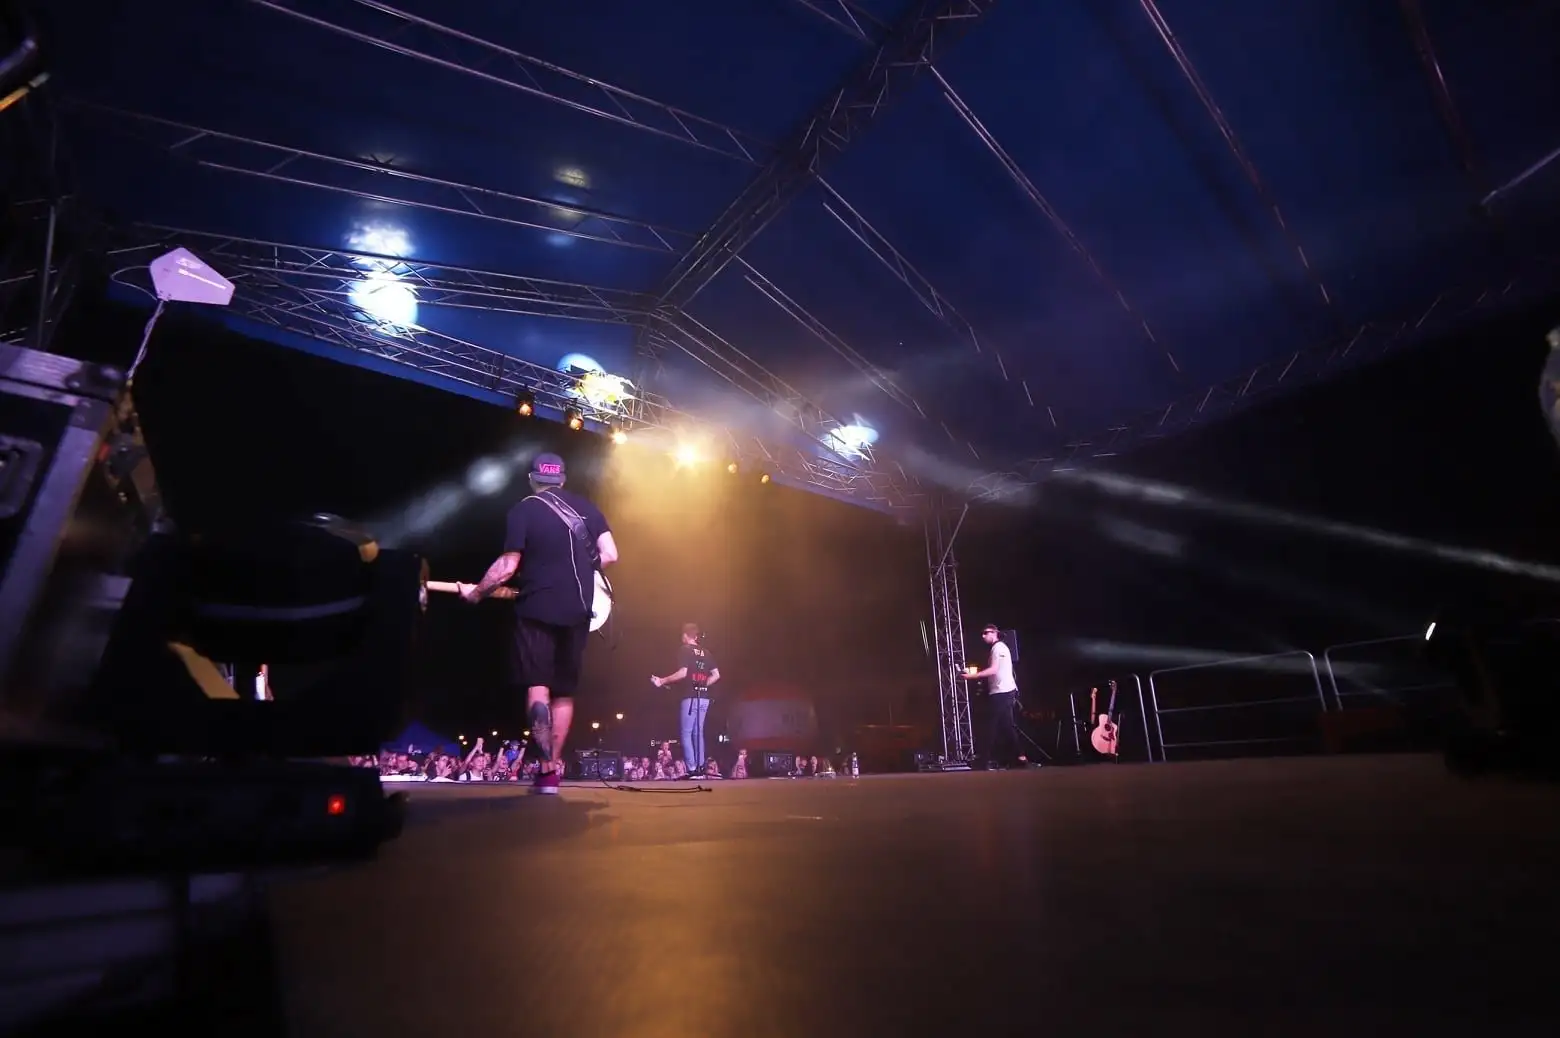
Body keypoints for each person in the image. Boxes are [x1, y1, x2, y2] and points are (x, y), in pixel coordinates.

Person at [460, 453, 618, 795]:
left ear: (533, 479)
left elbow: (506, 568)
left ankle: (545, 769)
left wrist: (475, 593)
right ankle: (552, 772)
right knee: (564, 690)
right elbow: (610, 554)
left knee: (538, 684)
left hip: (537, 607)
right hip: (579, 609)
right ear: (563, 479)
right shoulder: (588, 509)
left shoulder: (524, 509)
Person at [651, 622, 721, 776]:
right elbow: (716, 675)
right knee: (698, 732)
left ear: (684, 635)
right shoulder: (706, 652)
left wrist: (662, 680)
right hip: (704, 698)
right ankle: (700, 767)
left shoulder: (685, 650)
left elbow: (683, 673)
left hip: (690, 697)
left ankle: (692, 768)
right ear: (696, 636)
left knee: (686, 733)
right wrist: (703, 685)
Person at [965, 623, 1020, 769]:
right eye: (982, 633)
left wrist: (974, 676)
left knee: (990, 726)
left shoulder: (998, 648)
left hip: (1002, 691)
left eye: (986, 632)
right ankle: (1019, 758)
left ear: (994, 632)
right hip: (1002, 691)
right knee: (1006, 726)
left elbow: (994, 670)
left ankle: (983, 761)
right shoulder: (996, 649)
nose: (983, 636)